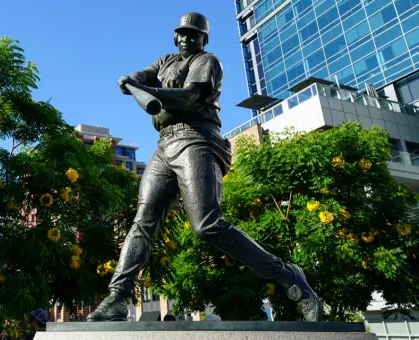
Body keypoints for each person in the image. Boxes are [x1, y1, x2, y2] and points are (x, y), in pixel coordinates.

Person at [86, 12, 322, 323]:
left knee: (207, 224)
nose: (187, 38)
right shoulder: (165, 61)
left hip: (196, 139)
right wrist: (132, 81)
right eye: (182, 33)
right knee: (142, 221)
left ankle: (289, 276)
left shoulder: (208, 61)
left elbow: (189, 97)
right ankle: (118, 297)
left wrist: (150, 91)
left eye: (194, 34)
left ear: (203, 38)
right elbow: (144, 74)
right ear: (175, 36)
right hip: (164, 146)